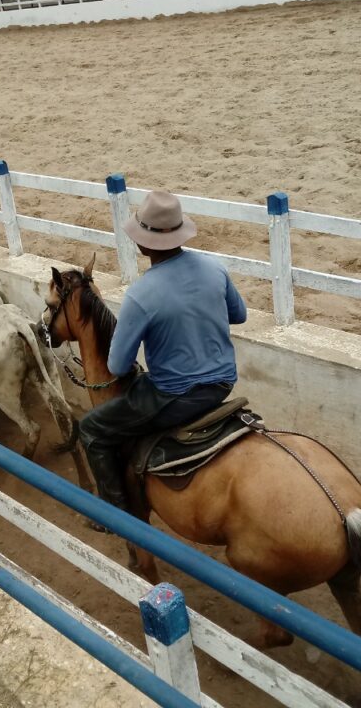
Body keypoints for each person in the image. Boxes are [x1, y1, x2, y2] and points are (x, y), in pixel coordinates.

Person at [78, 190, 247, 512]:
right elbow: (239, 315)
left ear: (142, 243)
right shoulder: (215, 268)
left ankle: (114, 513)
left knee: (91, 429)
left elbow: (116, 365)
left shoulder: (141, 294)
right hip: (223, 384)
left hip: (174, 396)